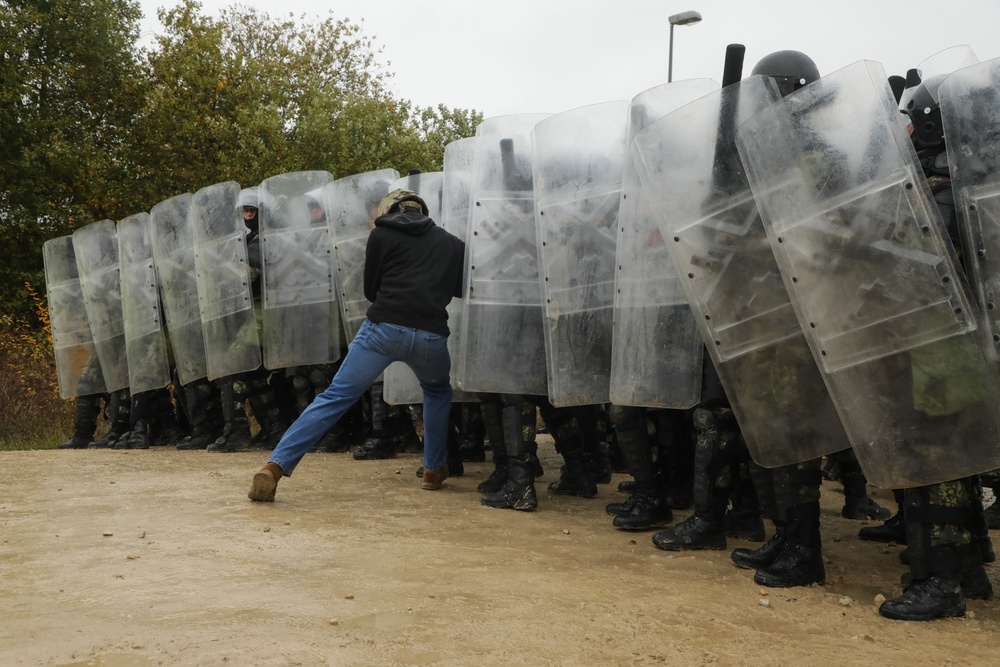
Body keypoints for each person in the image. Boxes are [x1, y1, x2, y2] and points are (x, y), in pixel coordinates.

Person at [248, 188, 465, 501]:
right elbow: (458, 288)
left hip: (383, 330)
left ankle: (275, 467)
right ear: (423, 211)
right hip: (430, 336)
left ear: (390, 211)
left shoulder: (381, 235)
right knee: (436, 392)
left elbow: (371, 289)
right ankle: (433, 469)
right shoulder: (451, 243)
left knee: (335, 395)